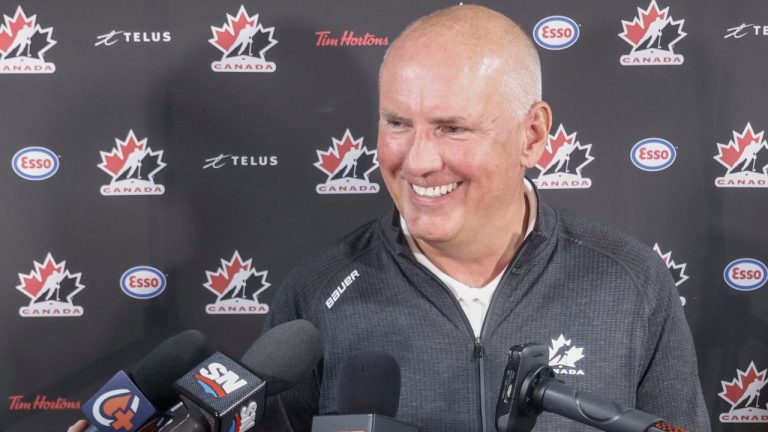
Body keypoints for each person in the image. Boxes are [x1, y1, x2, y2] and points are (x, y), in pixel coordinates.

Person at [69, 4, 710, 432]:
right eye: (397, 123)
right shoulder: (314, 294)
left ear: (534, 134)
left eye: (453, 127)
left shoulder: (632, 282)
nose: (417, 160)